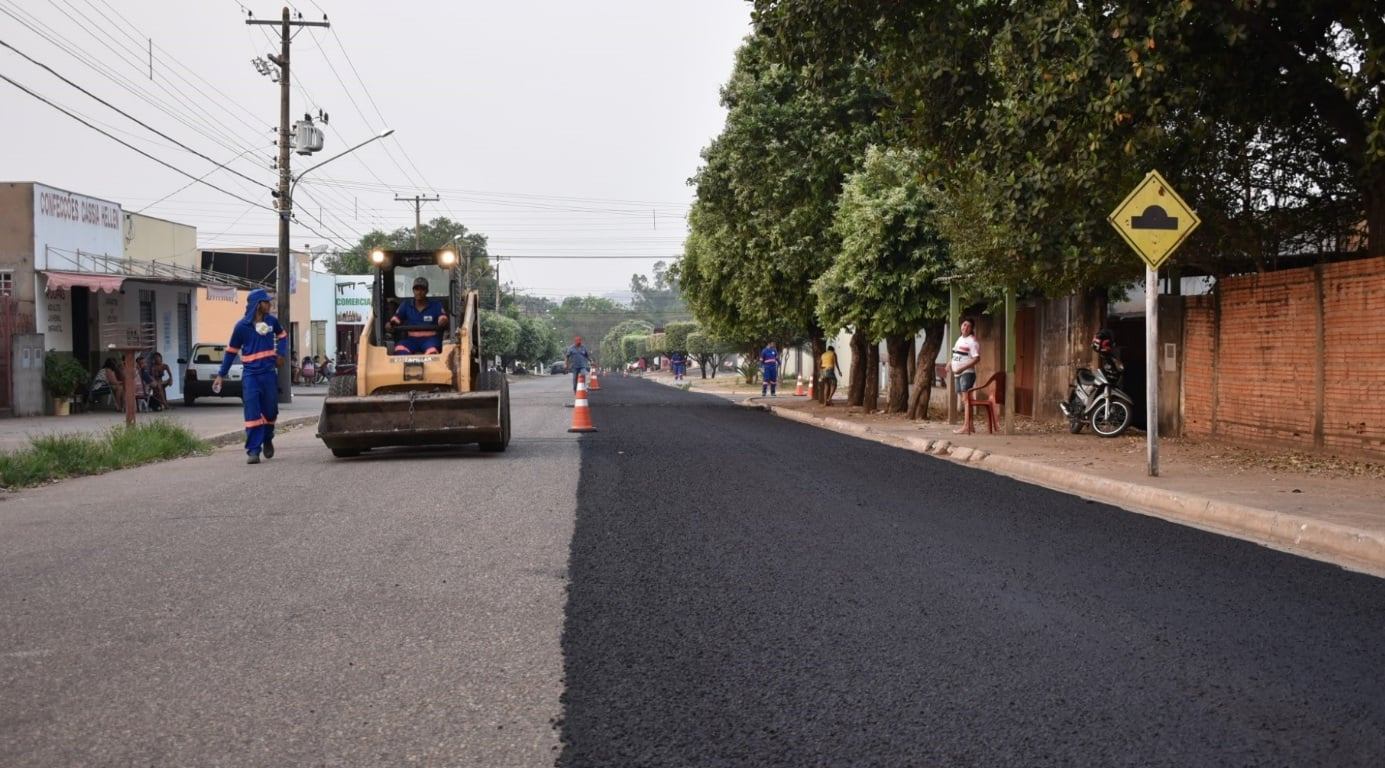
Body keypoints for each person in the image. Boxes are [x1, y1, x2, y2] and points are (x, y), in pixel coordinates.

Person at [214, 288, 287, 464]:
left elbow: (282, 335)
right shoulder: (241, 327)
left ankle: (267, 437)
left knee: (270, 412)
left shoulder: (272, 321)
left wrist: (281, 354)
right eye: (266, 302)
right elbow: (231, 352)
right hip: (250, 376)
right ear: (257, 305)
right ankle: (253, 450)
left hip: (268, 374)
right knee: (252, 412)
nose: (269, 304)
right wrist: (221, 375)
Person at [388, 276, 447, 355]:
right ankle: (407, 366)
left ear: (427, 291)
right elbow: (396, 318)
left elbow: (442, 318)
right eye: (416, 289)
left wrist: (443, 321)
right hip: (411, 340)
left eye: (422, 289)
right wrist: (391, 324)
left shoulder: (436, 305)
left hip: (430, 340)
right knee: (399, 349)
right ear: (413, 290)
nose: (419, 292)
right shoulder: (406, 305)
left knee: (432, 352)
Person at [950, 318, 980, 432]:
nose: (965, 327)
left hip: (966, 374)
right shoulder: (960, 339)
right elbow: (956, 355)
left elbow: (977, 359)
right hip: (957, 374)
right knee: (964, 400)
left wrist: (962, 368)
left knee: (966, 400)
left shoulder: (972, 341)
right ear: (961, 326)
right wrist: (950, 363)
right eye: (964, 325)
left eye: (968, 326)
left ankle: (966, 426)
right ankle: (970, 425)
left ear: (972, 329)